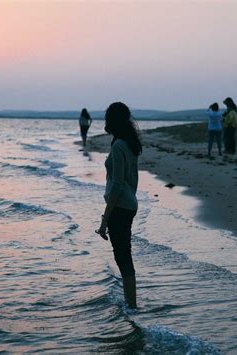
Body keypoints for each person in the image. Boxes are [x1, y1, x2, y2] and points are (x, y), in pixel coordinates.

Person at [96, 102, 142, 309]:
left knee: (123, 257)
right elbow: (132, 180)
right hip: (129, 204)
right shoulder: (130, 143)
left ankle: (131, 307)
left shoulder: (118, 146)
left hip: (121, 207)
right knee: (124, 255)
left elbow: (117, 184)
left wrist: (105, 218)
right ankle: (130, 304)